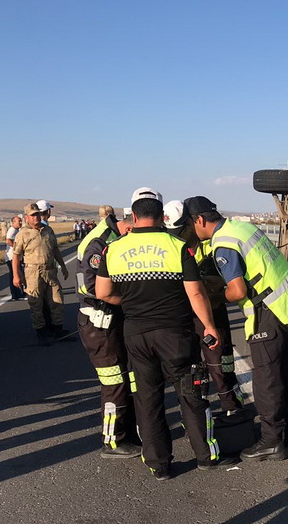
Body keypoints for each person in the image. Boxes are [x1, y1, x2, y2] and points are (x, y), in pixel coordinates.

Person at [94, 188, 238, 479]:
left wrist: (132, 304)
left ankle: (159, 465)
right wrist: (209, 326)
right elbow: (195, 292)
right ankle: (206, 457)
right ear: (162, 217)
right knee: (191, 394)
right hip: (175, 333)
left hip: (136, 334)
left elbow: (103, 292)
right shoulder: (177, 247)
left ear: (133, 217)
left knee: (148, 400)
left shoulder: (115, 248)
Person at [191, 199, 288, 462]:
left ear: (199, 221)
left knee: (266, 377)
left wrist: (216, 295)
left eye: (191, 224)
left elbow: (237, 290)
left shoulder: (223, 243)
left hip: (269, 310)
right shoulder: (240, 228)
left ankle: (271, 441)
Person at [165, 199, 245, 415]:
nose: (179, 235)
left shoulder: (212, 242)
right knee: (190, 368)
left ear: (192, 222)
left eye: (182, 230)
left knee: (221, 364)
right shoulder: (170, 246)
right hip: (184, 315)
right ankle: (196, 414)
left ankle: (233, 406)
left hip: (212, 310)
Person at [77, 206, 142, 459]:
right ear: (129, 226)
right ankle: (113, 441)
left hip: (115, 320)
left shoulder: (117, 237)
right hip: (98, 323)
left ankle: (132, 430)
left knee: (129, 378)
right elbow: (91, 286)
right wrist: (132, 298)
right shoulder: (99, 242)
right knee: (114, 382)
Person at [12, 202, 69, 344]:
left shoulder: (48, 230)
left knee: (57, 300)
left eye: (37, 214)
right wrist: (16, 275)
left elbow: (55, 249)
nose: (36, 217)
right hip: (33, 271)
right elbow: (16, 256)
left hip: (50, 270)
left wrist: (63, 266)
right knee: (36, 302)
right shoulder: (23, 234)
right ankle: (41, 332)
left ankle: (58, 330)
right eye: (33, 215)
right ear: (27, 218)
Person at [4, 215, 26, 301]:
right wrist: (17, 248)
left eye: (21, 221)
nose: (20, 223)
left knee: (18, 274)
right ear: (13, 222)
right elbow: (8, 240)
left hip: (16, 257)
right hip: (12, 257)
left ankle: (19, 293)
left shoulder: (17, 230)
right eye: (18, 221)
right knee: (15, 275)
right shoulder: (12, 230)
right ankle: (16, 294)